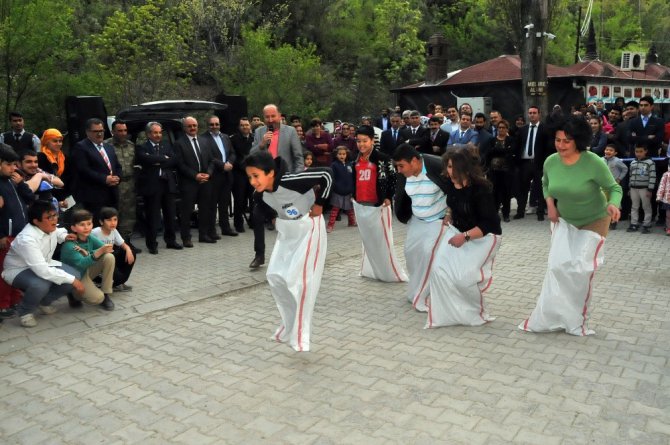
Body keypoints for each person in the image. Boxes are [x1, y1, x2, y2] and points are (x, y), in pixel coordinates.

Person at [520, 116, 622, 336]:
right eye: (558, 140)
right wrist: (550, 204)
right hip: (564, 220)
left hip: (595, 220)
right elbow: (545, 183)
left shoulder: (593, 161)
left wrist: (613, 204)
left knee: (579, 270)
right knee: (557, 267)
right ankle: (555, 315)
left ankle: (576, 321)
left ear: (578, 141)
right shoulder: (551, 161)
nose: (561, 145)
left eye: (567, 141)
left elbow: (614, 188)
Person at [243, 150, 332, 352]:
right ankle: (289, 324)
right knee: (275, 277)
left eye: (256, 176)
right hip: (287, 233)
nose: (252, 181)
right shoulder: (260, 195)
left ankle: (301, 335)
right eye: (249, 177)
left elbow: (327, 174)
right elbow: (265, 212)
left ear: (271, 173)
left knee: (299, 282)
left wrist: (319, 204)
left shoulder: (293, 180)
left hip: (309, 229)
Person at [426, 148, 502, 328]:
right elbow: (453, 202)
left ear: (465, 167)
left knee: (464, 278)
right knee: (438, 270)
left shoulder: (481, 189)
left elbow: (489, 224)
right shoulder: (450, 182)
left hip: (482, 237)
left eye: (452, 167)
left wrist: (465, 236)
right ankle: (447, 312)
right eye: (447, 166)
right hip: (457, 232)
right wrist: (449, 214)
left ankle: (475, 311)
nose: (448, 171)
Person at [2, 200, 85, 327]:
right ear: (36, 221)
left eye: (55, 215)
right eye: (49, 217)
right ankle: (25, 311)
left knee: (75, 275)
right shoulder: (27, 239)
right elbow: (42, 271)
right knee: (41, 283)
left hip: (43, 264)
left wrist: (65, 236)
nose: (54, 219)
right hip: (18, 270)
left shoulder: (48, 227)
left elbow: (58, 231)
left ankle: (44, 302)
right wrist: (72, 280)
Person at [393, 144, 450, 311]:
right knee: (410, 253)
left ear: (415, 161)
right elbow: (401, 195)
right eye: (397, 166)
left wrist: (451, 212)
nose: (399, 170)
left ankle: (424, 298)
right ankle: (416, 290)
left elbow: (456, 187)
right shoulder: (405, 174)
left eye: (401, 166)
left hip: (438, 220)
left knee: (428, 254)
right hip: (417, 219)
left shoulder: (437, 166)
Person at [249, 104, 304, 269]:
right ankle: (259, 255)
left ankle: (294, 254)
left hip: (285, 182)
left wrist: (296, 178)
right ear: (264, 117)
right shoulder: (259, 132)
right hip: (265, 183)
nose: (271, 120)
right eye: (267, 117)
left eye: (274, 116)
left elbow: (298, 157)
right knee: (257, 216)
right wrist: (262, 144)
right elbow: (251, 155)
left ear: (279, 115)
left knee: (289, 220)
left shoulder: (290, 131)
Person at [350, 126, 406, 282]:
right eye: (358, 141)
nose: (361, 144)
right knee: (367, 240)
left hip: (379, 205)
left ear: (372, 140)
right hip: (361, 204)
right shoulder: (355, 159)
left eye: (365, 141)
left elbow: (394, 178)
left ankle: (389, 272)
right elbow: (354, 179)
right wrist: (353, 195)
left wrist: (388, 197)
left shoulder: (383, 158)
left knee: (382, 240)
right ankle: (371, 269)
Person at [134, 122, 182, 254]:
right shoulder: (142, 147)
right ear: (149, 134)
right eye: (155, 132)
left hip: (167, 184)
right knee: (153, 216)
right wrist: (163, 158)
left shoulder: (166, 145)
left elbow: (174, 160)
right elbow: (144, 159)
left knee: (170, 215)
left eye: (160, 132)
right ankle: (152, 244)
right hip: (152, 186)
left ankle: (171, 241)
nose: (158, 135)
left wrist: (156, 161)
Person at [0, 145, 34, 320]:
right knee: (4, 271)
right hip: (7, 237)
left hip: (20, 234)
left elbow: (30, 198)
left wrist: (21, 184)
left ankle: (15, 299)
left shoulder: (11, 181)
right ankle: (3, 304)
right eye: (10, 164)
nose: (15, 168)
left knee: (17, 269)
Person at [60, 209, 116, 311]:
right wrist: (97, 252)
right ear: (74, 228)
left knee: (109, 257)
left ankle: (106, 293)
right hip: (75, 277)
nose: (86, 228)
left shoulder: (89, 237)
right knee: (98, 298)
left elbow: (107, 249)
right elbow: (82, 263)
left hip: (85, 271)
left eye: (89, 224)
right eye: (82, 225)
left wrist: (88, 253)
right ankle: (72, 294)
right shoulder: (70, 245)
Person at [69, 118, 122, 221]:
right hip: (94, 196)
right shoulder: (81, 147)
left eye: (101, 131)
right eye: (95, 131)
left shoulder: (108, 147)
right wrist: (104, 179)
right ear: (87, 132)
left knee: (112, 225)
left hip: (112, 194)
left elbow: (117, 166)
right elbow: (84, 170)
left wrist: (117, 178)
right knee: (98, 225)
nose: (99, 134)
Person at [173, 116, 213, 246]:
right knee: (187, 211)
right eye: (189, 126)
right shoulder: (179, 143)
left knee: (205, 209)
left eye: (194, 125)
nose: (192, 128)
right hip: (189, 182)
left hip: (205, 181)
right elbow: (180, 164)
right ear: (184, 128)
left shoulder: (204, 141)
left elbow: (212, 160)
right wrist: (195, 175)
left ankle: (204, 235)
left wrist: (208, 174)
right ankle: (186, 238)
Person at [200, 115, 238, 238]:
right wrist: (222, 165)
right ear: (208, 125)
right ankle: (212, 231)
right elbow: (209, 157)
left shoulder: (225, 137)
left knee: (224, 203)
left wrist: (230, 163)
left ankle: (225, 227)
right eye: (212, 124)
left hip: (227, 176)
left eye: (217, 124)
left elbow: (232, 153)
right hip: (214, 175)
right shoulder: (203, 139)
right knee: (212, 204)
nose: (215, 126)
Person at [513, 106, 553, 221]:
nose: (532, 115)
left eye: (534, 113)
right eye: (530, 113)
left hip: (538, 163)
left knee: (540, 189)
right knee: (523, 189)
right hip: (525, 163)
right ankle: (520, 211)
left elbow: (548, 148)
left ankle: (540, 212)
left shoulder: (545, 129)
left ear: (539, 114)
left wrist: (545, 163)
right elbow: (518, 147)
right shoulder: (523, 129)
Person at [104, 120, 138, 250]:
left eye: (125, 130)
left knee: (129, 215)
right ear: (113, 132)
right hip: (114, 185)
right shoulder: (106, 145)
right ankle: (112, 244)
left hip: (129, 184)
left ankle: (126, 243)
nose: (123, 133)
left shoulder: (131, 145)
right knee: (113, 214)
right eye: (120, 131)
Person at [92, 207, 135, 292]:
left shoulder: (114, 231)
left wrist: (129, 250)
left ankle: (119, 282)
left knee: (130, 252)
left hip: (110, 259)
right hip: (98, 263)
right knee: (117, 275)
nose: (113, 223)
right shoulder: (95, 232)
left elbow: (123, 244)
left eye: (115, 220)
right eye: (109, 220)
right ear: (101, 222)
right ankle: (101, 282)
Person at [486, 119, 515, 222]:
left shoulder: (511, 140)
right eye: (499, 128)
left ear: (507, 129)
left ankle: (506, 214)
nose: (501, 129)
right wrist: (502, 151)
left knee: (506, 193)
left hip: (506, 172)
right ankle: (495, 214)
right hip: (494, 171)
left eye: (503, 128)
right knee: (495, 193)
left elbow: (511, 152)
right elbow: (489, 153)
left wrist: (497, 151)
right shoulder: (492, 140)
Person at [230, 118, 254, 233]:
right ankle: (238, 223)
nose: (245, 127)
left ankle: (253, 221)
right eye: (242, 125)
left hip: (253, 174)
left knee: (253, 198)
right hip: (239, 173)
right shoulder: (233, 139)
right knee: (239, 199)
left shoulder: (254, 138)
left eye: (247, 125)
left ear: (250, 126)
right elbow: (235, 155)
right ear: (239, 127)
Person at [626, 144, 656, 234]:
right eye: (636, 151)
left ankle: (646, 224)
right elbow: (630, 176)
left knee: (646, 206)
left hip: (644, 188)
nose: (638, 154)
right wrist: (629, 187)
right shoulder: (633, 162)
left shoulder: (650, 163)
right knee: (634, 206)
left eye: (641, 151)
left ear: (645, 151)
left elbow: (652, 176)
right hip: (633, 188)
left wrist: (650, 189)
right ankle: (634, 223)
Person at [327, 146, 356, 233]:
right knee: (335, 210)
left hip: (348, 190)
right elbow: (332, 178)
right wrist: (335, 187)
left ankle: (352, 222)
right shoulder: (334, 165)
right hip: (337, 191)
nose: (342, 156)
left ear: (347, 155)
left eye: (344, 154)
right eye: (340, 154)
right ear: (336, 155)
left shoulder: (350, 164)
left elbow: (353, 177)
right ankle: (330, 225)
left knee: (350, 209)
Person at [603, 144, 628, 230]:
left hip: (613, 186)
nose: (608, 151)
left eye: (611, 150)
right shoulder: (600, 160)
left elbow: (625, 169)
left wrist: (619, 178)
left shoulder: (617, 161)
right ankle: (604, 221)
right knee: (604, 203)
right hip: (602, 186)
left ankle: (614, 222)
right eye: (606, 150)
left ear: (615, 153)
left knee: (614, 203)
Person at [656, 169, 670, 236]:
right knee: (668, 216)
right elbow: (662, 185)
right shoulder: (666, 174)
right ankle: (668, 228)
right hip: (668, 199)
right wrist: (659, 196)